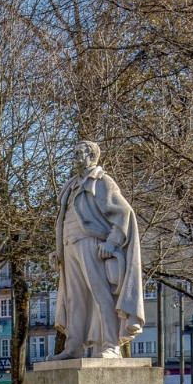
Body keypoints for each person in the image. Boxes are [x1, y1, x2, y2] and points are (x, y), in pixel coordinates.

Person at [51, 139, 144, 359]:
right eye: (74, 153)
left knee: (101, 295)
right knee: (74, 299)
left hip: (91, 243)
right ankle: (73, 347)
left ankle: (111, 344)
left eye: (79, 153)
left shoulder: (102, 181)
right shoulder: (71, 185)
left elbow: (125, 213)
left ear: (92, 156)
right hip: (69, 245)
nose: (74, 157)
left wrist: (112, 242)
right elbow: (64, 219)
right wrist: (58, 250)